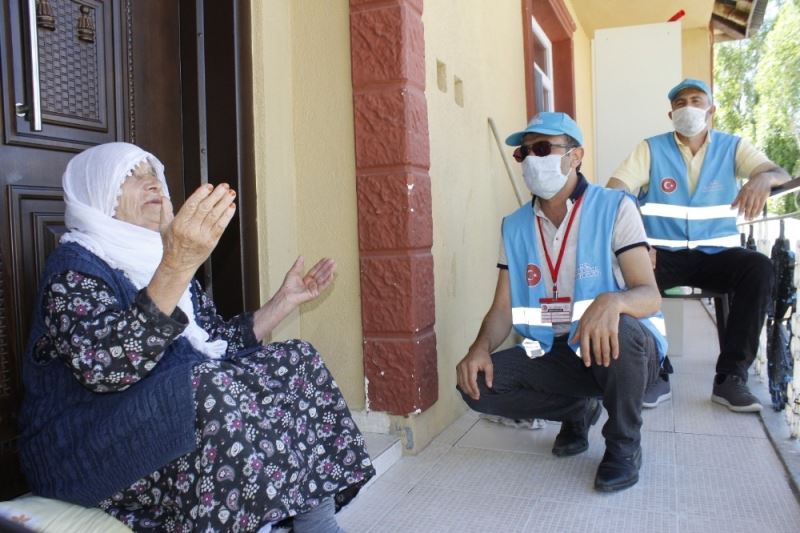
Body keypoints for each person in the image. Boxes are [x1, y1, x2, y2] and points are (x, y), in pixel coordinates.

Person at [19, 142, 374, 532]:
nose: (152, 183)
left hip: (159, 422)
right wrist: (177, 262)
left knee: (294, 359)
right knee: (207, 386)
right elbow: (107, 369)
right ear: (97, 194)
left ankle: (315, 524)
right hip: (84, 451)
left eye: (153, 174)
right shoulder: (73, 268)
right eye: (131, 176)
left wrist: (283, 302)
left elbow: (215, 343)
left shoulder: (158, 259)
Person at [456, 112, 667, 492]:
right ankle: (577, 409)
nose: (531, 159)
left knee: (619, 326)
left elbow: (649, 294)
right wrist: (479, 348)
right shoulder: (514, 225)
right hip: (553, 350)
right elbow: (502, 309)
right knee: (478, 385)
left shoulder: (615, 207)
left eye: (542, 148)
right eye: (524, 153)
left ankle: (624, 446)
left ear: (576, 156)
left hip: (619, 350)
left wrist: (613, 302)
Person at [607, 79, 791, 413]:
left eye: (696, 100)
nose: (688, 107)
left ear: (711, 110)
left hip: (717, 256)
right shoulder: (651, 149)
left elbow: (779, 172)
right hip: (661, 255)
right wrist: (637, 244)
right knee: (623, 276)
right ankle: (655, 371)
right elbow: (615, 192)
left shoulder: (732, 147)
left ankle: (731, 378)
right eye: (680, 103)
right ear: (671, 114)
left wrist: (763, 178)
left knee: (760, 269)